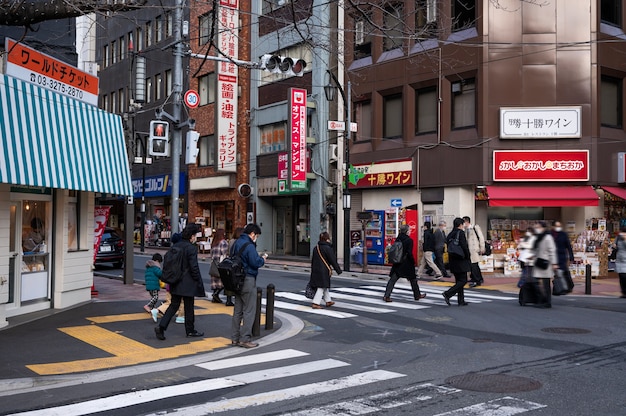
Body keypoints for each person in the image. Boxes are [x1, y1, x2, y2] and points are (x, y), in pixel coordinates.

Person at [155, 224, 206, 340]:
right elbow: (194, 267)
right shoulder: (191, 248)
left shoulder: (176, 246)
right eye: (195, 236)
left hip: (175, 280)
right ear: (192, 236)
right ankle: (190, 330)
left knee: (174, 305)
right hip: (187, 282)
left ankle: (161, 327)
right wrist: (198, 281)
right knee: (189, 306)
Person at [230, 223, 267, 348]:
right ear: (252, 234)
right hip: (247, 279)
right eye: (256, 236)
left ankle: (234, 338)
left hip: (236, 280)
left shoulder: (236, 243)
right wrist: (263, 259)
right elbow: (255, 262)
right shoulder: (249, 246)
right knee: (249, 311)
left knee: (237, 311)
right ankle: (245, 339)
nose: (256, 238)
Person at [383, 224, 427, 302]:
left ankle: (387, 295)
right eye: (409, 230)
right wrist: (413, 261)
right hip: (406, 262)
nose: (410, 231)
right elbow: (409, 252)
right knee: (413, 279)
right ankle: (417, 295)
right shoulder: (409, 240)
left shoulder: (398, 238)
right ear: (406, 231)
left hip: (398, 262)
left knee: (393, 279)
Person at [153, 232, 185, 324]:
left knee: (170, 301)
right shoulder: (179, 253)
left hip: (169, 283)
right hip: (177, 282)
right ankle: (180, 316)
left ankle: (158, 311)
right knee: (180, 301)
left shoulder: (169, 253)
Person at [309, 232, 342, 309]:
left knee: (324, 285)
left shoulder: (316, 248)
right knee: (321, 286)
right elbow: (332, 260)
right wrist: (338, 270)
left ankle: (328, 301)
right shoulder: (327, 248)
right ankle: (315, 303)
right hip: (324, 270)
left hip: (316, 270)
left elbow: (313, 260)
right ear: (327, 239)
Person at [442, 217, 471, 306]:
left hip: (452, 259)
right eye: (462, 224)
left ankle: (461, 300)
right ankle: (448, 293)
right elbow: (464, 246)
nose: (463, 226)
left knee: (459, 280)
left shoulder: (450, 234)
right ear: (460, 225)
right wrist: (468, 256)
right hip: (460, 259)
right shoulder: (460, 233)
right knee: (463, 280)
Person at [530, 221, 558, 308]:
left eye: (538, 227)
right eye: (536, 227)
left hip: (546, 263)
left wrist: (554, 263)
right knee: (536, 281)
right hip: (539, 262)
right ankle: (541, 299)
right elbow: (537, 249)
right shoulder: (539, 237)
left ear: (543, 228)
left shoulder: (548, 237)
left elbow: (552, 251)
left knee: (546, 284)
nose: (537, 229)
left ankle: (547, 301)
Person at [551, 221, 575, 292]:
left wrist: (571, 257)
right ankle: (558, 288)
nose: (558, 228)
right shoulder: (550, 234)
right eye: (556, 226)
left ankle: (565, 287)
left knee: (562, 272)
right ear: (553, 227)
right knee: (557, 273)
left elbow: (568, 246)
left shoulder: (563, 234)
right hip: (553, 256)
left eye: (559, 226)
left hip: (562, 256)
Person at [463, 216, 486, 287]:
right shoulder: (466, 230)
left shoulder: (475, 227)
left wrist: (482, 247)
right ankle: (477, 278)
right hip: (470, 250)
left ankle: (477, 280)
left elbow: (481, 237)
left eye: (463, 222)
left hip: (475, 249)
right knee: (474, 265)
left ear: (467, 222)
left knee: (474, 265)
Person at [210, 229, 231, 305]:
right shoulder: (223, 242)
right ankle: (216, 294)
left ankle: (215, 297)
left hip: (214, 264)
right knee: (225, 282)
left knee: (215, 281)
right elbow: (225, 253)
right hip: (221, 264)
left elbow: (211, 255)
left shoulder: (214, 243)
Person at [613, 227, 626, 298]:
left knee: (624, 276)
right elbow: (614, 245)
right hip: (619, 259)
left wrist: (624, 239)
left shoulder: (624, 238)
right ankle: (623, 292)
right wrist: (614, 245)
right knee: (621, 276)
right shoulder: (618, 237)